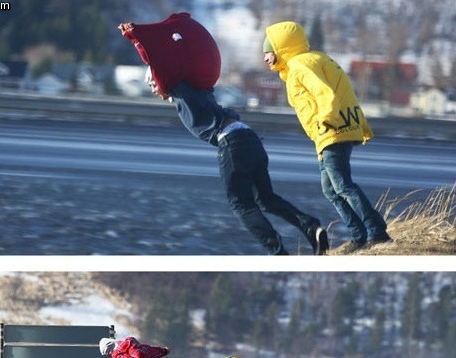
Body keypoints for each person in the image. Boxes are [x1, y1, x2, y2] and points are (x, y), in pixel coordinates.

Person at [119, 17, 328, 257]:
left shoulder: (180, 89)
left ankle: (278, 252)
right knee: (266, 199)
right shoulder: (199, 90)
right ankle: (312, 228)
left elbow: (158, 63)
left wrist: (137, 38)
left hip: (232, 142)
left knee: (241, 203)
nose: (154, 91)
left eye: (152, 86)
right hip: (248, 137)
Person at [263, 21, 392, 253]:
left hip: (332, 129)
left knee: (342, 185)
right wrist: (358, 123)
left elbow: (326, 93)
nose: (265, 58)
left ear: (281, 48)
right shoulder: (314, 59)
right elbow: (347, 92)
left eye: (268, 51)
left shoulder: (300, 66)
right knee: (330, 189)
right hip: (335, 129)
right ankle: (358, 235)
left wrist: (326, 119)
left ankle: (376, 231)